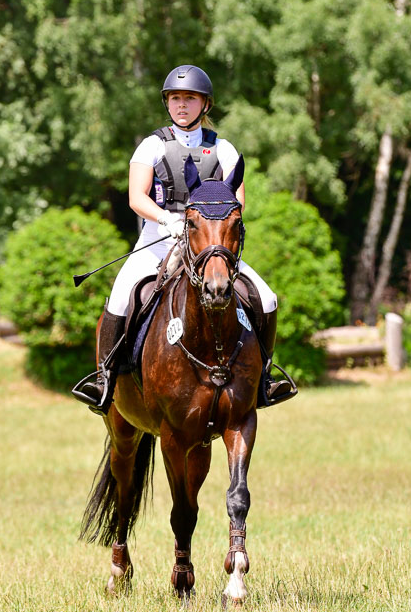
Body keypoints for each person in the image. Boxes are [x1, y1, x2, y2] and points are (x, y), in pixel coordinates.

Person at [75, 64, 293, 414]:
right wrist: (166, 218)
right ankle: (105, 381)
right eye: (175, 98)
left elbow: (237, 202)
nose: (181, 105)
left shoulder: (224, 150)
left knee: (265, 298)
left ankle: (264, 380)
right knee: (120, 296)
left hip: (209, 243)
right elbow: (136, 196)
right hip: (159, 239)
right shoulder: (152, 146)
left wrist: (206, 226)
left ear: (204, 104)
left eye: (189, 98)